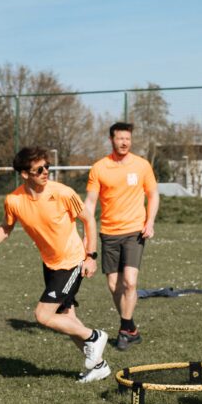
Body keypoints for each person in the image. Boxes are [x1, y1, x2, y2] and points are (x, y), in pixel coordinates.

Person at [0, 147, 110, 382]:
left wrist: (91, 256)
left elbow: (89, 220)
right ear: (24, 174)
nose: (45, 171)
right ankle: (99, 366)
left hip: (72, 262)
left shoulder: (63, 192)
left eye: (47, 166)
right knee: (67, 318)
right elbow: (7, 226)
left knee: (42, 315)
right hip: (50, 265)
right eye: (39, 169)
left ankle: (95, 336)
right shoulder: (14, 200)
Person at [85, 122, 159, 351]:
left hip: (134, 231)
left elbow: (153, 194)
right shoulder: (99, 168)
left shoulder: (142, 165)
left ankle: (123, 331)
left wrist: (150, 221)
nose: (124, 142)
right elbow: (90, 202)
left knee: (130, 282)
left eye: (128, 138)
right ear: (112, 140)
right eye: (120, 138)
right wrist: (86, 232)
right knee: (114, 286)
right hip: (108, 232)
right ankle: (130, 327)